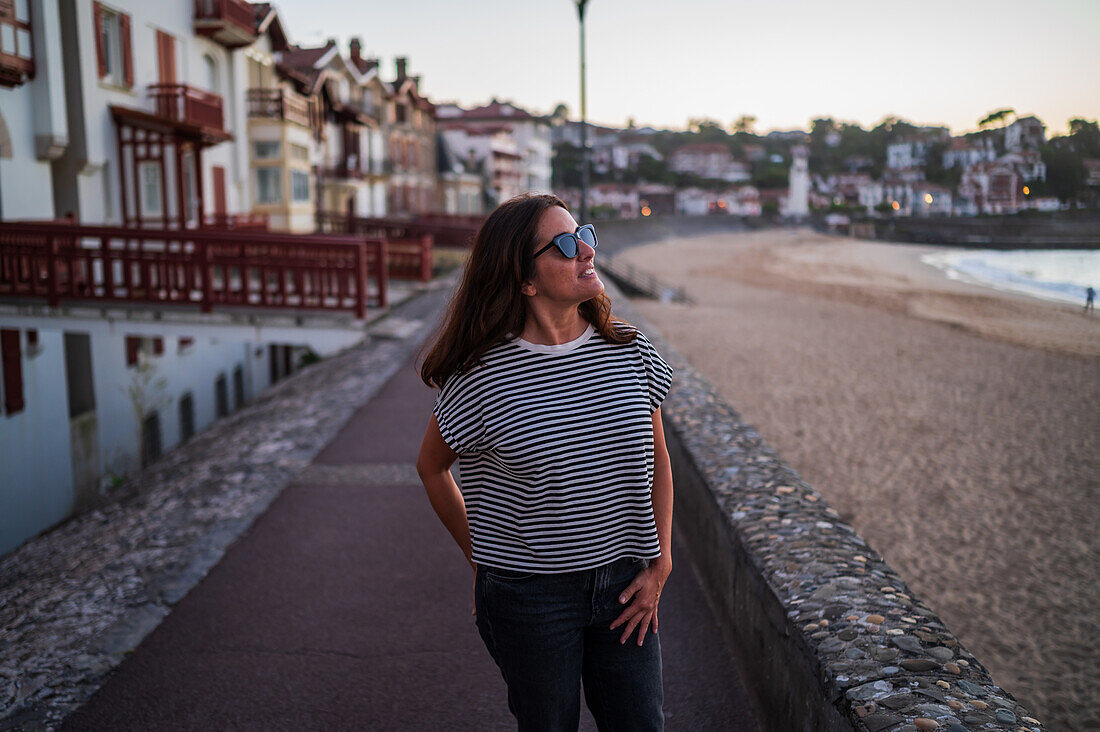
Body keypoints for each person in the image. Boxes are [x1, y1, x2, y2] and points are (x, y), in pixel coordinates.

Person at [416, 193, 674, 731]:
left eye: (585, 235)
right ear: (525, 280)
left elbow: (657, 458)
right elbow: (431, 467)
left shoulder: (629, 349)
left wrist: (661, 561)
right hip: (528, 597)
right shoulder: (480, 377)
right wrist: (480, 560)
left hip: (626, 585)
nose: (586, 251)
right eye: (564, 244)